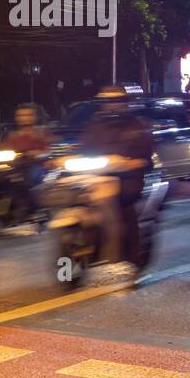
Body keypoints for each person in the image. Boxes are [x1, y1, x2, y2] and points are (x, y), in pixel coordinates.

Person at [79, 88, 155, 265]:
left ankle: (130, 258)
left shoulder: (135, 127)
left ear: (124, 103)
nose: (112, 105)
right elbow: (83, 150)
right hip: (97, 178)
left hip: (127, 179)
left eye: (116, 101)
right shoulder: (94, 127)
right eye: (108, 101)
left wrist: (131, 163)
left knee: (123, 206)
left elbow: (145, 156)